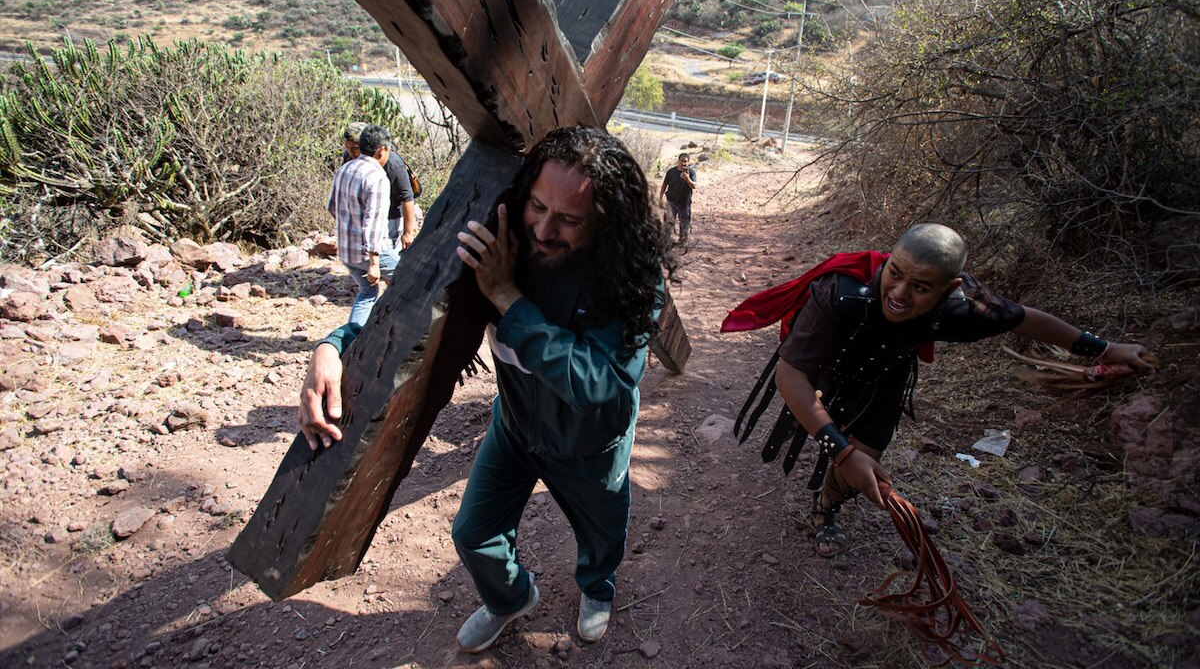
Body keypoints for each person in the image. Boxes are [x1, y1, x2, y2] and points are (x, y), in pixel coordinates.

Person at [298, 126, 672, 652]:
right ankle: (510, 599)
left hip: (591, 444)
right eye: (537, 206)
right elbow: (409, 302)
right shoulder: (502, 243)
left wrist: (508, 299)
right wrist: (333, 347)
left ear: (606, 223)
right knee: (473, 534)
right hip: (517, 426)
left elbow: (601, 382)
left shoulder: (632, 280)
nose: (544, 229)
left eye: (568, 219)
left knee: (601, 533)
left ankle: (597, 587)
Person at [723, 223, 1157, 558]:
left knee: (867, 459)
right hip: (824, 367)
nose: (899, 292)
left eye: (920, 287)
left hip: (885, 379)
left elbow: (1026, 318)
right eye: (895, 273)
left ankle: (827, 506)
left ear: (949, 288)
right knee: (845, 450)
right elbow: (791, 375)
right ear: (889, 259)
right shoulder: (841, 294)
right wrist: (839, 449)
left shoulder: (961, 306)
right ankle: (839, 468)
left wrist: (1105, 348)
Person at [328, 123, 399, 327]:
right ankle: (403, 333)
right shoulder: (377, 177)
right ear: (381, 150)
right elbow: (374, 223)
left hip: (346, 250)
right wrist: (374, 263)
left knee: (367, 293)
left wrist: (349, 225)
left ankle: (353, 338)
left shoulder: (345, 169)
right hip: (370, 253)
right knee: (411, 282)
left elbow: (332, 206)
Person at [342, 122, 418, 251]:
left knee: (386, 253)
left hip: (390, 217)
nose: (351, 152)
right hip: (362, 216)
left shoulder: (392, 163)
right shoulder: (349, 157)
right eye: (347, 148)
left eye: (355, 148)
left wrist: (407, 233)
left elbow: (407, 198)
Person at [658, 152, 697, 245]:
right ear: (678, 161)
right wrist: (660, 198)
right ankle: (667, 241)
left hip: (685, 202)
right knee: (669, 221)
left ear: (688, 162)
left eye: (686, 161)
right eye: (682, 161)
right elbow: (664, 185)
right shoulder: (671, 172)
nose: (683, 163)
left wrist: (687, 179)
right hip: (671, 201)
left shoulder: (691, 172)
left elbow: (694, 186)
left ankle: (683, 241)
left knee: (684, 223)